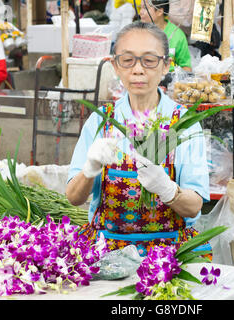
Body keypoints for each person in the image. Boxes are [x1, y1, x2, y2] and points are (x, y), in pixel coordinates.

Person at [66, 22, 209, 257]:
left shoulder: (183, 124)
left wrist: (168, 190)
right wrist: (90, 168)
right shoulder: (101, 122)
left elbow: (193, 207)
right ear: (115, 66)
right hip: (108, 252)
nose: (138, 69)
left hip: (171, 254)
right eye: (128, 60)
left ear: (166, 66)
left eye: (149, 60)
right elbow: (73, 197)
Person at [139, 0, 192, 72]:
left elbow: (186, 67)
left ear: (159, 12)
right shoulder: (136, 32)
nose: (140, 12)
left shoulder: (177, 35)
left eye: (145, 8)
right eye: (140, 8)